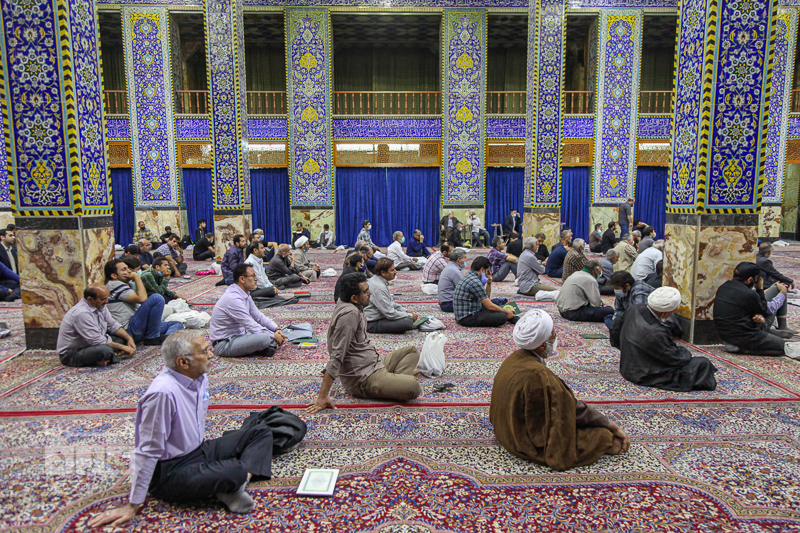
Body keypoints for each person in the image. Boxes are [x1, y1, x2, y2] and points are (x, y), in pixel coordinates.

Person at [87, 331, 275, 528]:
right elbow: (146, 450)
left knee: (261, 432)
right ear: (183, 362)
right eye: (204, 352)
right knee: (236, 469)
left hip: (198, 450)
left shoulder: (199, 377)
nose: (211, 355)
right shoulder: (162, 393)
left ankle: (235, 485)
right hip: (171, 471)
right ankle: (233, 481)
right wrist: (133, 505)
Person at [490, 309, 630, 470]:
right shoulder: (538, 374)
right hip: (523, 440)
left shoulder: (514, 358)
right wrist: (610, 425)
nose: (556, 337)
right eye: (553, 334)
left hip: (505, 431)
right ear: (542, 345)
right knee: (602, 436)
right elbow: (571, 408)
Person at [306, 272, 422, 412]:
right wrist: (322, 396)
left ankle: (396, 380)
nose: (370, 293)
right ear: (354, 298)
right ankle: (398, 380)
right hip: (363, 378)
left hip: (373, 364)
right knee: (414, 387)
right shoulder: (349, 315)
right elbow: (337, 354)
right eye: (366, 292)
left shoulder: (349, 303)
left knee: (412, 351)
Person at [611, 287, 717, 391]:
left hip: (627, 367)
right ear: (665, 313)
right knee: (703, 364)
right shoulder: (656, 332)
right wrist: (685, 352)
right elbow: (676, 359)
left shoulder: (635, 308)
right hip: (642, 374)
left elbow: (615, 330)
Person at [713, 262, 794, 356]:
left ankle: (770, 333)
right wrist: (782, 293)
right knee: (781, 347)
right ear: (750, 280)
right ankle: (744, 350)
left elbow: (753, 302)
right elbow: (768, 310)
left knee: (774, 290)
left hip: (726, 336)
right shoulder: (749, 294)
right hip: (745, 337)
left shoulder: (723, 287)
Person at [210, 263, 286, 358]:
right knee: (265, 338)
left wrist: (276, 329)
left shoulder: (244, 293)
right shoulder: (233, 299)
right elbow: (250, 325)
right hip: (225, 343)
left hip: (240, 335)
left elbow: (258, 316)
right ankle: (258, 348)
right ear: (242, 279)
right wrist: (273, 336)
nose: (256, 279)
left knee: (267, 333)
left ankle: (257, 348)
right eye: (253, 276)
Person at [105, 259, 184, 345]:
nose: (129, 271)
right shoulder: (114, 284)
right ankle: (153, 337)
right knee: (157, 298)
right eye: (124, 269)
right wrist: (137, 277)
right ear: (114, 275)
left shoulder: (126, 284)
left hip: (138, 326)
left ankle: (166, 339)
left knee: (177, 324)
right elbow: (142, 299)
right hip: (129, 329)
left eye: (128, 268)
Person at [56, 284, 137, 367]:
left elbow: (113, 324)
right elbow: (97, 341)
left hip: (91, 345)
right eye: (103, 299)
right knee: (105, 350)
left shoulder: (100, 305)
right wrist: (124, 348)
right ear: (90, 299)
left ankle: (106, 358)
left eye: (107, 298)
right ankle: (109, 356)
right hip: (72, 353)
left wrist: (129, 339)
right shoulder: (81, 313)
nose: (107, 301)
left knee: (125, 336)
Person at [453, 256, 516, 327]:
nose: (489, 273)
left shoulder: (470, 276)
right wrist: (506, 312)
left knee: (495, 303)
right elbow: (489, 306)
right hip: (467, 317)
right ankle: (510, 316)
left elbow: (486, 299)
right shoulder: (475, 282)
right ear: (482, 269)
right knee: (502, 316)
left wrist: (489, 283)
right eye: (488, 271)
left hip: (466, 312)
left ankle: (510, 315)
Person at [364, 258, 418, 334]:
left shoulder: (377, 281)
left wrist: (404, 310)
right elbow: (390, 313)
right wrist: (409, 315)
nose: (395, 272)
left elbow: (389, 303)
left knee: (404, 316)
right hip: (372, 322)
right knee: (408, 322)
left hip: (379, 316)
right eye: (392, 270)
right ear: (383, 273)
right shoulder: (379, 287)